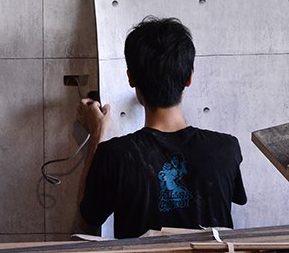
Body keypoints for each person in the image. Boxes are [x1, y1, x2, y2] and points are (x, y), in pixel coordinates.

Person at [76, 16, 247, 237]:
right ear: (189, 78)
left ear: (131, 78)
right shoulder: (226, 149)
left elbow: (86, 224)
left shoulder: (114, 156)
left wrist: (97, 133)